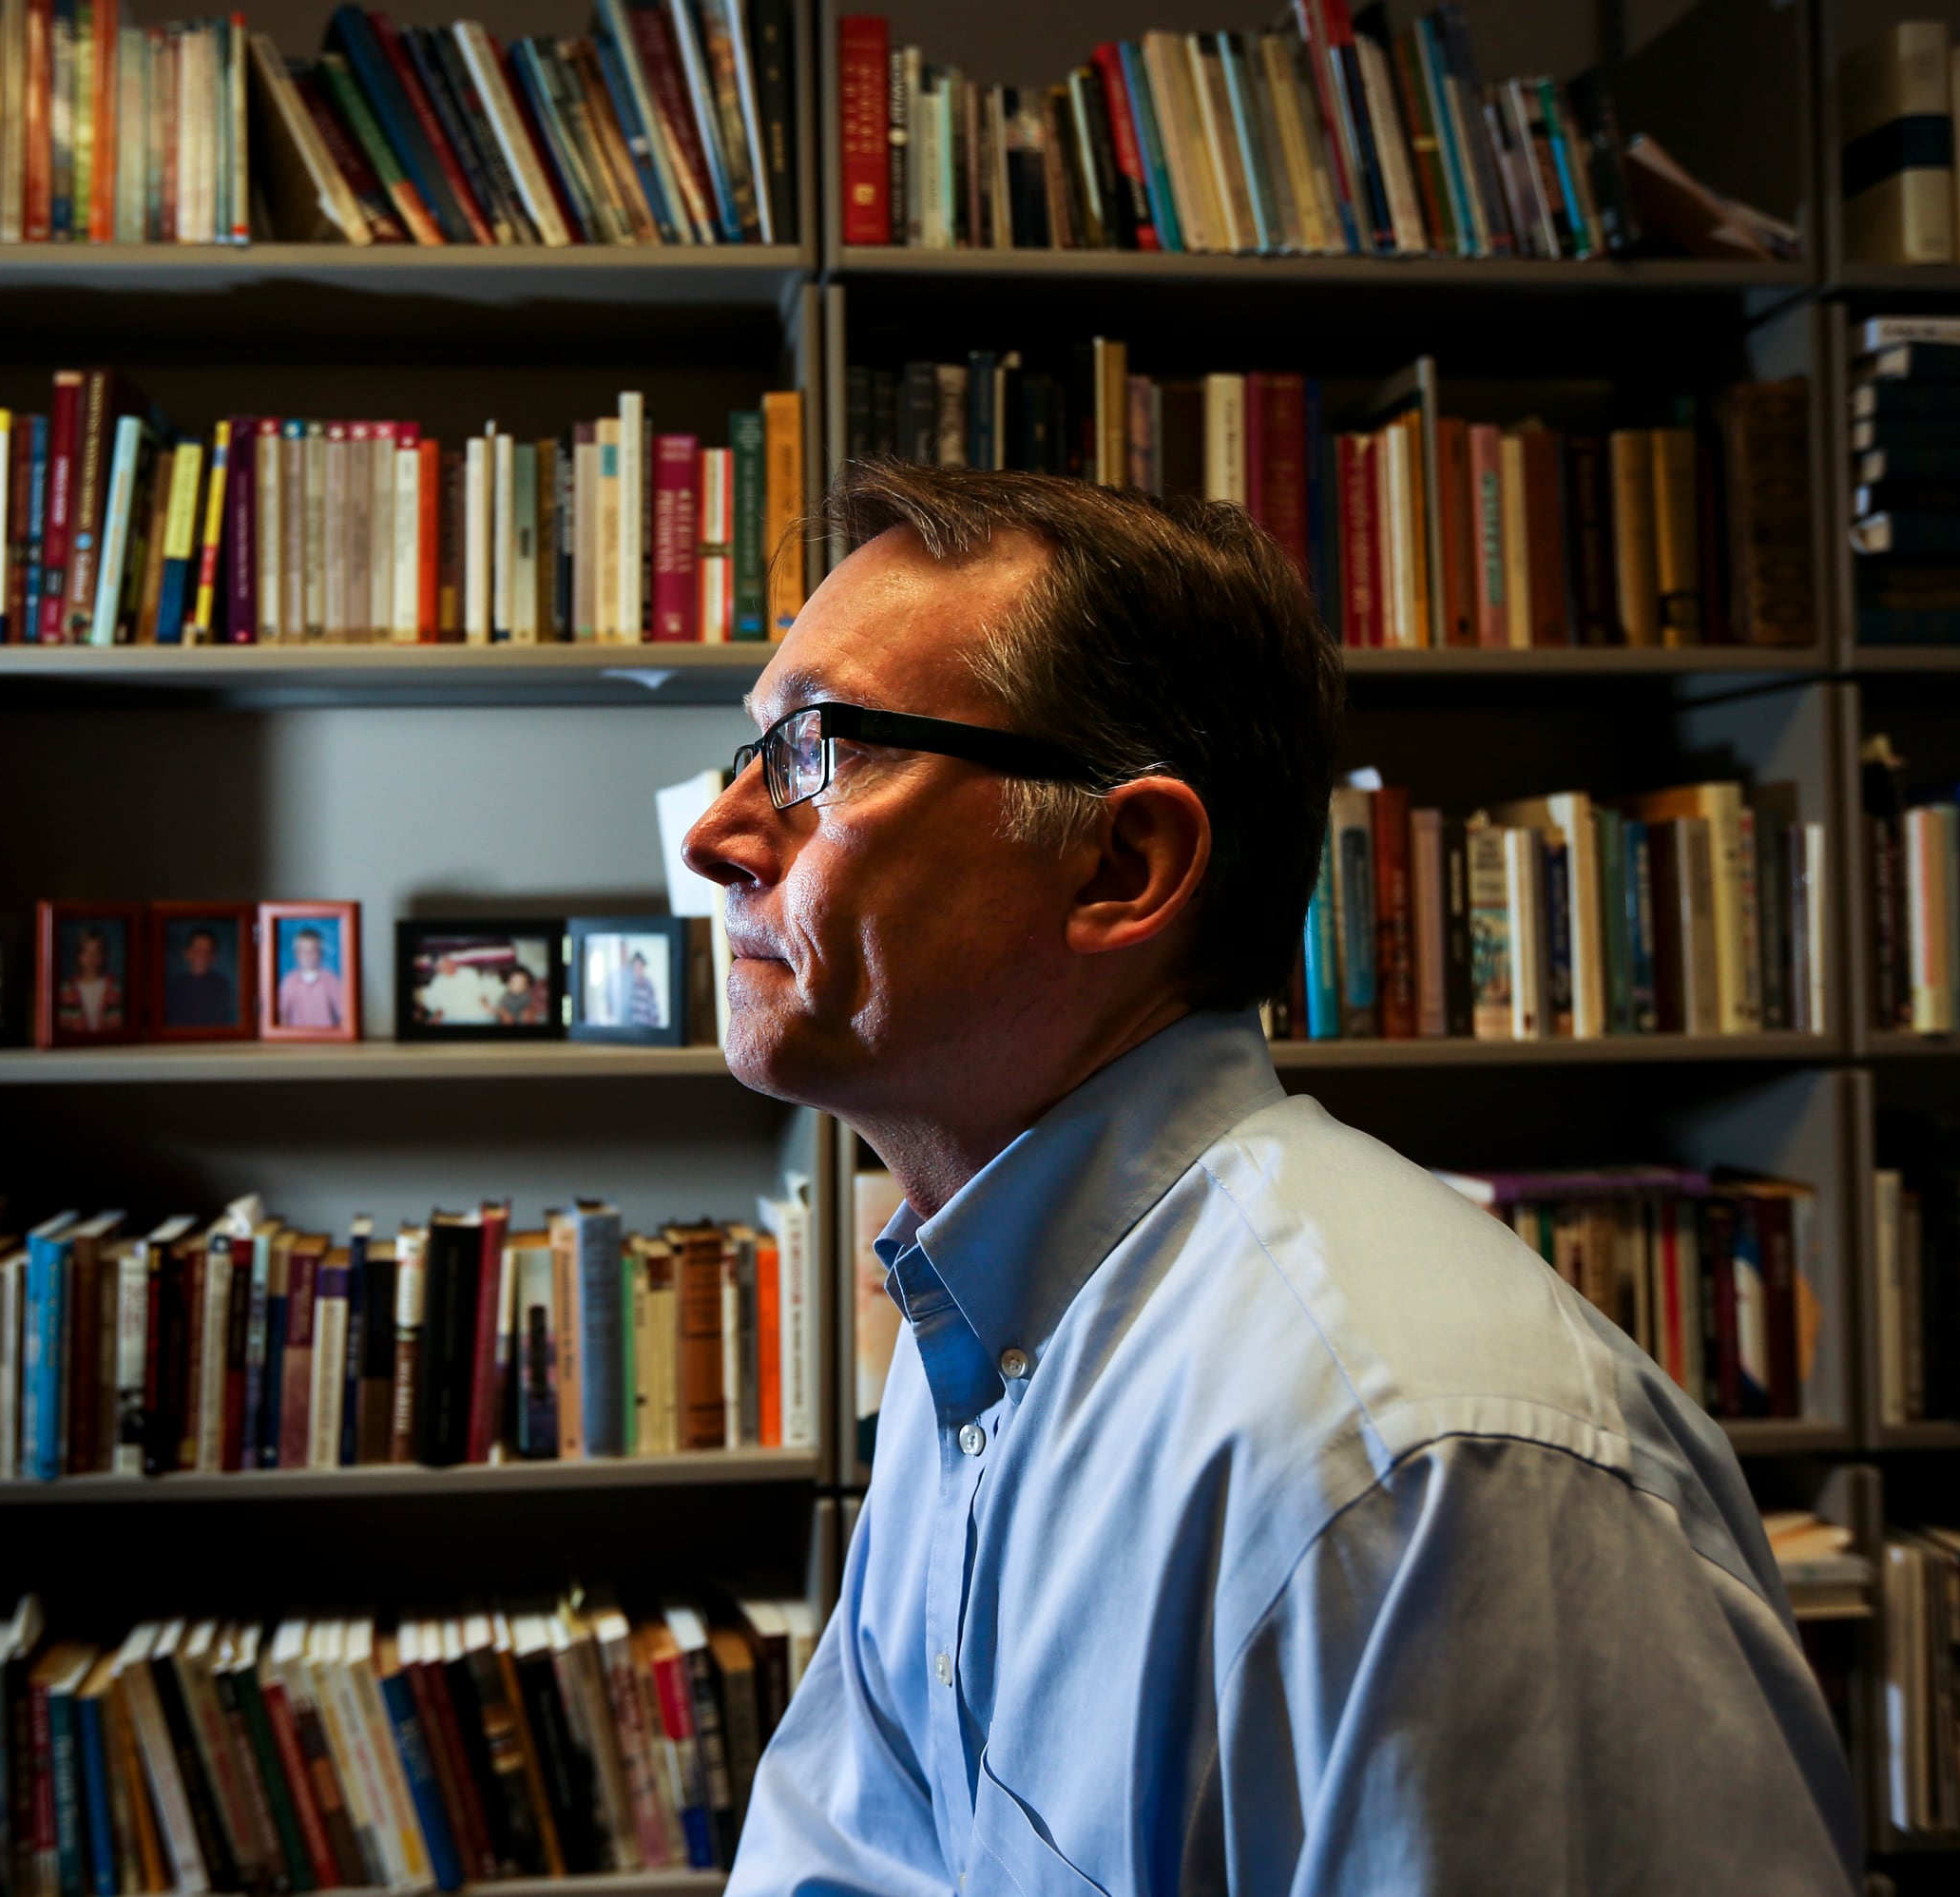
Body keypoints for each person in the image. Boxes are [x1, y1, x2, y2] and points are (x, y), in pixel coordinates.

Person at [682, 463, 1861, 1895]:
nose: (718, 834)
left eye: (816, 748)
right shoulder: (981, 1324)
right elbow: (855, 1844)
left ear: (1123, 862)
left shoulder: (1418, 1472)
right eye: (750, 751)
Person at [165, 925, 237, 1027]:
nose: (203, 956)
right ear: (187, 953)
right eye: (198, 951)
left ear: (214, 956)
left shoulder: (221, 985)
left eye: (208, 951)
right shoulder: (175, 986)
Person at [276, 925, 344, 1029]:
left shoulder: (331, 980)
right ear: (296, 954)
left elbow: (343, 1014)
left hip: (326, 1039)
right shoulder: (289, 981)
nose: (308, 955)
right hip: (296, 1039)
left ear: (321, 953)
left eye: (312, 950)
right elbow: (283, 1014)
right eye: (303, 951)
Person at [56, 926, 123, 1033]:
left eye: (97, 952)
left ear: (104, 956)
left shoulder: (116, 986)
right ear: (78, 955)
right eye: (86, 952)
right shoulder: (66, 989)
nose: (91, 958)